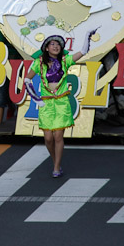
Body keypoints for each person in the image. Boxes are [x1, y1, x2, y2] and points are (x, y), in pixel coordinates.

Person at [23, 34, 94, 177]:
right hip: (46, 103)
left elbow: (82, 52)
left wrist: (87, 36)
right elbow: (27, 80)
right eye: (52, 44)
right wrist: (36, 98)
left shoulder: (65, 60)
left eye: (58, 44)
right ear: (46, 48)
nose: (55, 47)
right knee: (48, 138)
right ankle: (56, 160)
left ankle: (56, 167)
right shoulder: (39, 63)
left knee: (58, 136)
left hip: (61, 103)